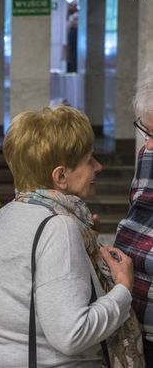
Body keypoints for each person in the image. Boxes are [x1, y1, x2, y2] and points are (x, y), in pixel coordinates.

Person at [0, 106, 141, 367]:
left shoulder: (8, 213)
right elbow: (72, 334)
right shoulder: (58, 226)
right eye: (89, 160)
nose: (98, 166)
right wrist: (123, 289)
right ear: (60, 176)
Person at [115, 71, 153, 365]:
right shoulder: (147, 156)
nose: (148, 146)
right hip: (136, 324)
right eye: (147, 131)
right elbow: (136, 219)